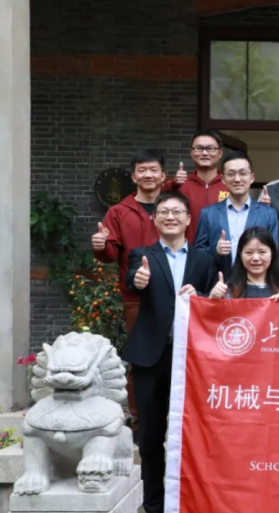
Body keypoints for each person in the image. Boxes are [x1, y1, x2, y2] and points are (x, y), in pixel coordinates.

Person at [122, 190, 227, 513]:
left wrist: (208, 297)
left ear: (188, 219)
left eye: (177, 211)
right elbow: (134, 282)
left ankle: (193, 507)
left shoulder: (204, 260)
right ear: (154, 219)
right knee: (151, 438)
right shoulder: (142, 255)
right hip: (151, 358)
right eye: (163, 211)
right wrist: (138, 280)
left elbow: (214, 304)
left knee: (194, 437)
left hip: (192, 360)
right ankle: (154, 510)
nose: (170, 216)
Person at [92, 148, 166, 428]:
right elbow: (110, 253)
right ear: (133, 176)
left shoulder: (173, 208)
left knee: (175, 357)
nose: (148, 175)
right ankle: (139, 419)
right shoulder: (119, 212)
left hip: (174, 296)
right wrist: (101, 246)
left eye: (153, 170)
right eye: (142, 170)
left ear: (163, 175)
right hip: (136, 298)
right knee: (141, 358)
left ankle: (172, 418)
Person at [194, 152, 279, 282]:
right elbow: (197, 254)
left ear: (252, 177)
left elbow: (274, 252)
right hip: (219, 284)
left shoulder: (268, 214)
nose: (237, 179)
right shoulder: (208, 213)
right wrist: (215, 250)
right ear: (223, 179)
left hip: (255, 284)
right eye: (231, 174)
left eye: (243, 173)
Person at [168, 129, 229, 243]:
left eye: (210, 148)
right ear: (191, 152)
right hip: (187, 251)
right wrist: (172, 185)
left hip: (224, 250)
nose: (204, 153)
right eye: (199, 148)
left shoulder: (230, 184)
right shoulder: (181, 186)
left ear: (220, 153)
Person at [225, 227, 279, 301]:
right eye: (249, 252)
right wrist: (218, 299)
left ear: (272, 254)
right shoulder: (229, 291)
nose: (256, 258)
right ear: (240, 254)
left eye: (262, 252)